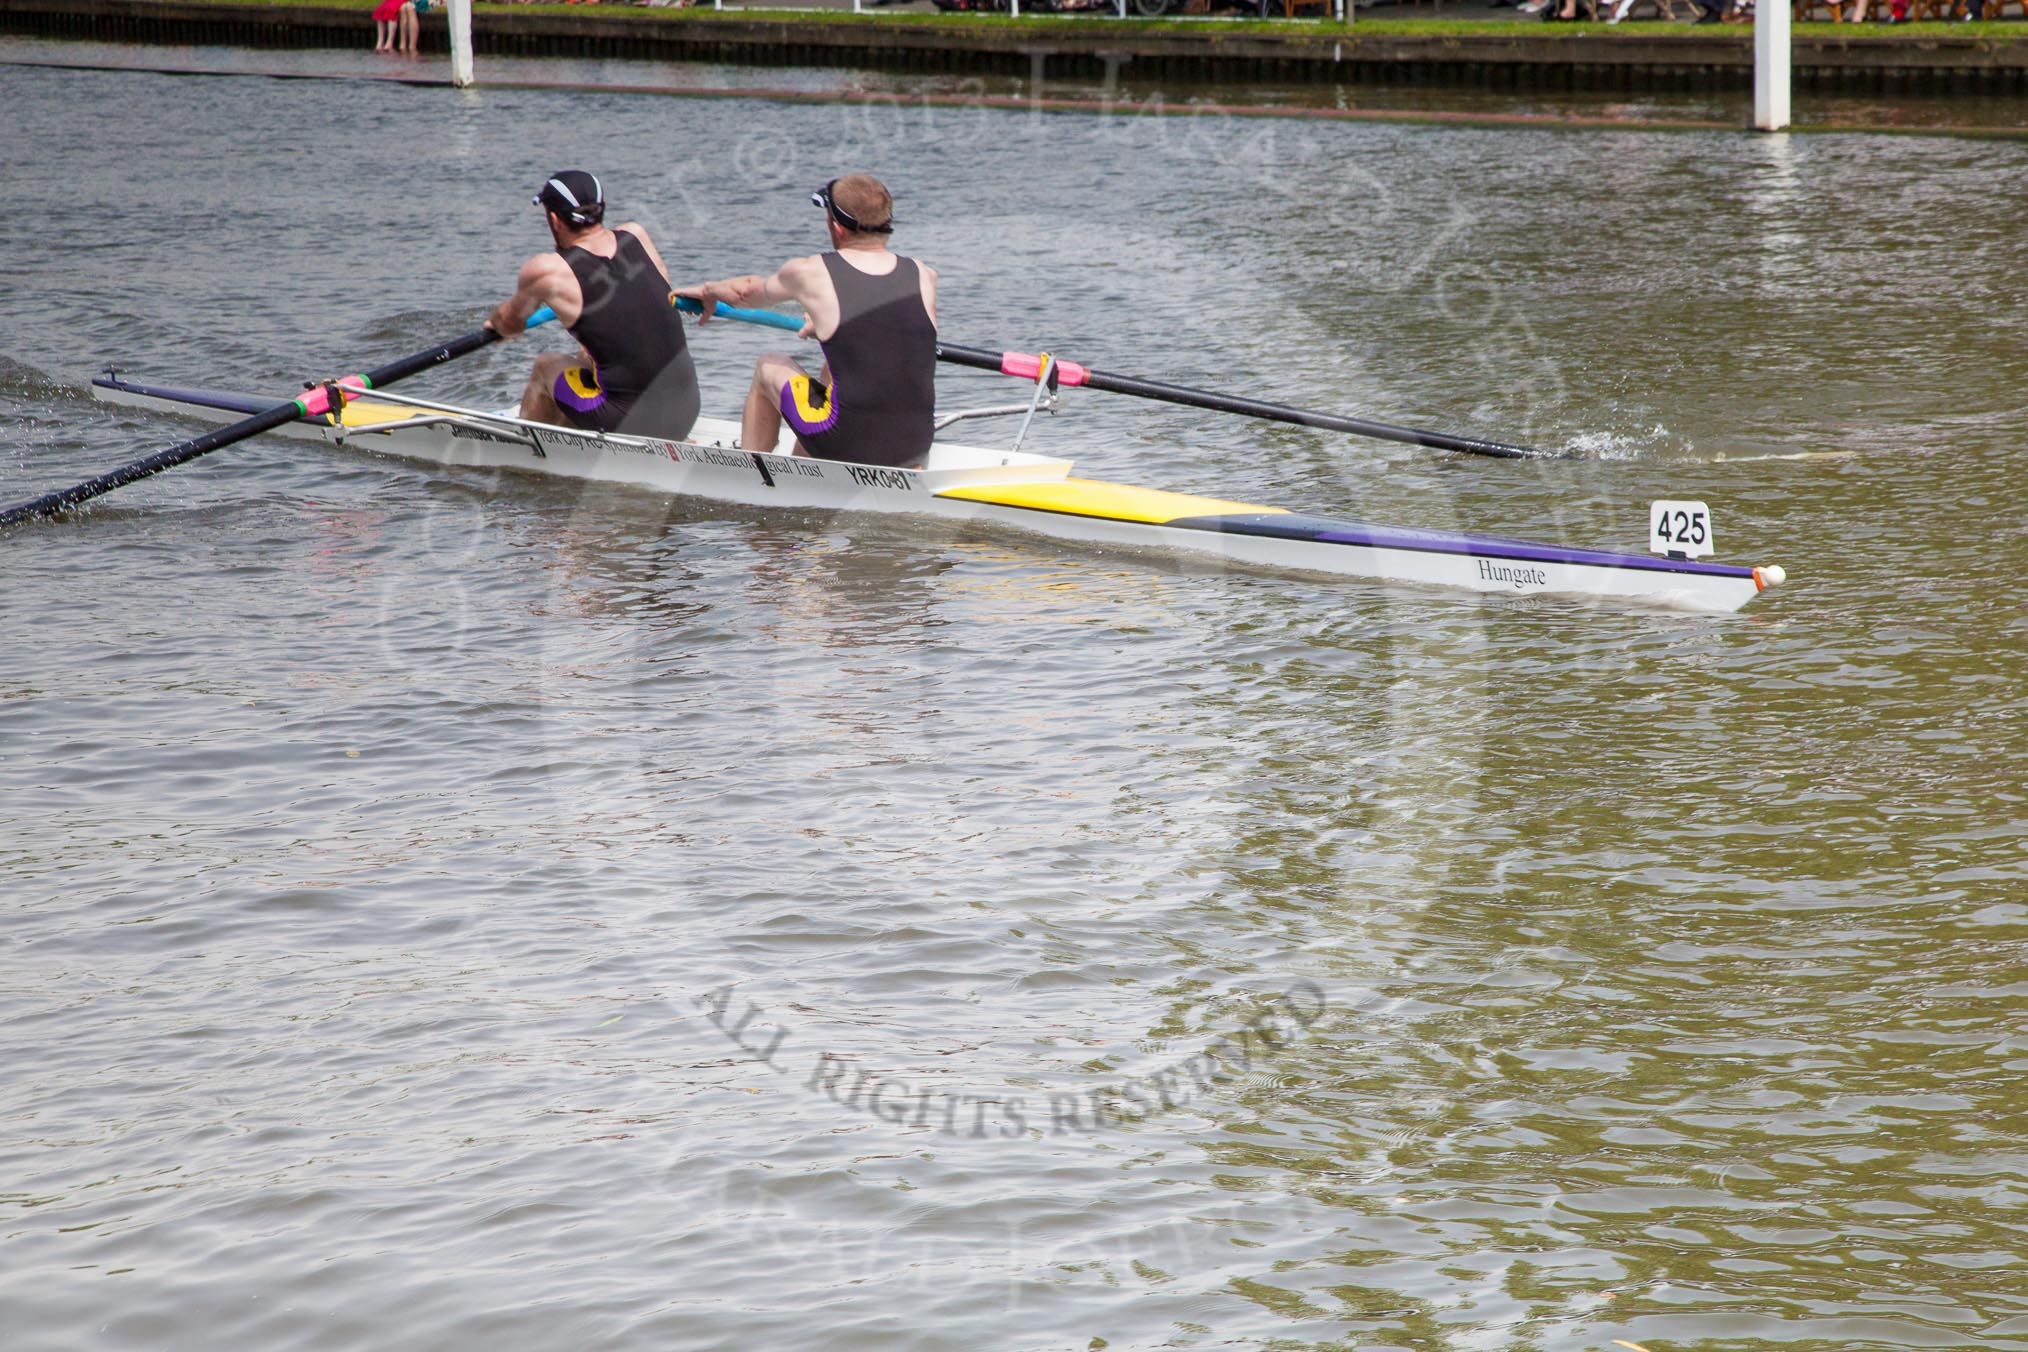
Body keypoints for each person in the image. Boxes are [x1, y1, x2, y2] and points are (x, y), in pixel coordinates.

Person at [681, 174, 938, 469]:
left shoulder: (810, 272)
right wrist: (837, 328)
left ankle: (752, 474)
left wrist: (707, 291)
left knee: (769, 365)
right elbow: (894, 336)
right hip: (916, 444)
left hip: (849, 442)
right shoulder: (923, 275)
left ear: (836, 227)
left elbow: (747, 293)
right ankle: (808, 467)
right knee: (832, 372)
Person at [486, 171, 700, 442]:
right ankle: (569, 430)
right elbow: (641, 311)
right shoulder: (637, 235)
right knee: (586, 358)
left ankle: (527, 450)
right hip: (688, 409)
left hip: (629, 423)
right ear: (602, 208)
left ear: (553, 219)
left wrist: (495, 322)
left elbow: (511, 326)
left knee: (546, 365)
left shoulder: (546, 270)